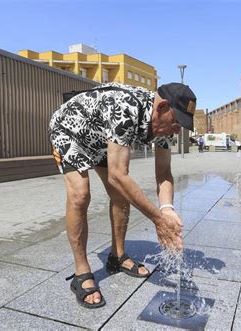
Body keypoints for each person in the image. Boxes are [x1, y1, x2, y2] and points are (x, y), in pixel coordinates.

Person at [48, 82, 196, 308]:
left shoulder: (164, 129)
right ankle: (81, 272)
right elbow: (118, 175)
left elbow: (164, 173)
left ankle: (117, 257)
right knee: (80, 194)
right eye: (177, 122)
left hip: (100, 139)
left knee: (120, 195)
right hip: (70, 131)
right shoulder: (126, 107)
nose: (178, 130)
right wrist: (158, 220)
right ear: (163, 107)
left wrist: (167, 210)